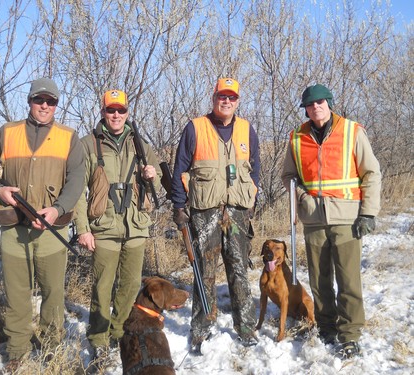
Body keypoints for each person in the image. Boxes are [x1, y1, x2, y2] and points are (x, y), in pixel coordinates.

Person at [0, 78, 85, 371]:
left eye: (51, 101)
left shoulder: (68, 137)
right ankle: (17, 350)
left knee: (52, 295)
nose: (44, 106)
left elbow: (76, 180)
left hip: (52, 230)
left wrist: (57, 208)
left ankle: (50, 348)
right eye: (39, 100)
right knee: (16, 293)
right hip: (13, 229)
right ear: (30, 101)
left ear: (56, 105)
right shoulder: (8, 132)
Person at [281, 84, 381, 359]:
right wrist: (301, 196)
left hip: (347, 218)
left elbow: (371, 173)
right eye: (310, 105)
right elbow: (288, 176)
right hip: (313, 219)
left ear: (330, 103)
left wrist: (368, 213)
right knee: (319, 280)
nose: (315, 108)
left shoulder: (352, 131)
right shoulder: (296, 138)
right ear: (306, 109)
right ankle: (326, 327)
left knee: (349, 280)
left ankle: (350, 334)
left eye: (320, 103)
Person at [171, 78, 261, 355]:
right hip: (204, 210)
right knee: (204, 273)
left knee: (239, 271)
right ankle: (201, 328)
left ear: (237, 101)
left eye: (231, 97)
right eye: (222, 96)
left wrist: (250, 198)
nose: (226, 101)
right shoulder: (195, 127)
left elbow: (255, 168)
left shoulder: (247, 129)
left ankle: (245, 328)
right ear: (214, 98)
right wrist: (178, 205)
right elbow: (179, 169)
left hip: (236, 211)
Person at [74, 90, 161, 363]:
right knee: (102, 286)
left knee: (130, 285)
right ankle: (98, 339)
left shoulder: (141, 146)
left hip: (135, 226)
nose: (116, 115)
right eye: (111, 110)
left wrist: (152, 176)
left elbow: (155, 187)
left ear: (127, 113)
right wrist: (82, 228)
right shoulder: (88, 145)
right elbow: (76, 191)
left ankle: (119, 332)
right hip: (102, 228)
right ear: (102, 112)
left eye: (121, 110)